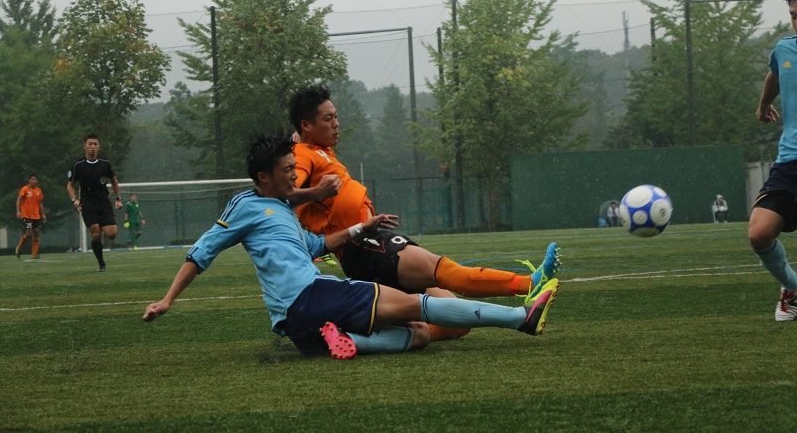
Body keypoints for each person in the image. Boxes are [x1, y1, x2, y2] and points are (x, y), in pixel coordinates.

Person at [142, 135, 561, 360]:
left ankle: (346, 341)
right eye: (287, 170)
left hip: (298, 325)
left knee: (417, 335)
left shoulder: (283, 212)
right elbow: (201, 252)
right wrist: (167, 300)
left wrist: (363, 227)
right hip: (309, 297)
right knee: (418, 305)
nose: (294, 176)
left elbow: (318, 243)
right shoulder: (245, 206)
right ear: (263, 177)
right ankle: (520, 318)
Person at [286, 86, 560, 342]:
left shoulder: (318, 149)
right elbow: (286, 191)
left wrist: (296, 138)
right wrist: (316, 190)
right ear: (307, 125)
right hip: (364, 246)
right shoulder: (303, 154)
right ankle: (529, 285)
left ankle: (352, 335)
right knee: (444, 270)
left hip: (367, 248)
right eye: (328, 119)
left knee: (456, 325)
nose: (336, 123)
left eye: (336, 116)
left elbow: (297, 146)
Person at [748, 0, 797, 322]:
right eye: (793, 16)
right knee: (759, 232)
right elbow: (775, 75)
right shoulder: (785, 49)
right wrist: (764, 104)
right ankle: (792, 289)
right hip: (791, 160)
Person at [66, 134, 123, 272]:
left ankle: (102, 225)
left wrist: (118, 199)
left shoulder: (105, 163)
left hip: (103, 201)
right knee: (96, 233)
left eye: (95, 144)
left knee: (112, 233)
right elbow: (69, 185)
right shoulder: (78, 165)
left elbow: (114, 181)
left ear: (99, 146)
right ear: (85, 146)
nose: (92, 147)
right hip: (87, 202)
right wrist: (74, 199)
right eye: (90, 144)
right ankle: (101, 264)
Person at [14, 174, 47, 260]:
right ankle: (18, 248)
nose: (34, 181)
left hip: (36, 216)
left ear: (37, 181)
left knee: (36, 233)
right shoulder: (25, 189)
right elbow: (18, 200)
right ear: (29, 180)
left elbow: (40, 203)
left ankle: (35, 254)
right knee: (28, 233)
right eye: (32, 179)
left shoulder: (38, 190)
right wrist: (18, 211)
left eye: (35, 179)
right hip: (27, 215)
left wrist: (43, 214)